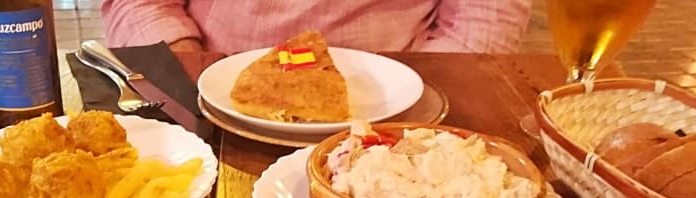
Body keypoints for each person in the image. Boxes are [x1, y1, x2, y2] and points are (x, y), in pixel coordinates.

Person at [101, 0, 532, 56]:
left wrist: (411, 99)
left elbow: (486, 17)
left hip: (401, 105)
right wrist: (183, 69)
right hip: (206, 91)